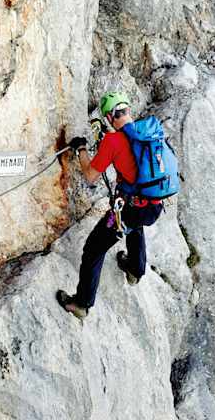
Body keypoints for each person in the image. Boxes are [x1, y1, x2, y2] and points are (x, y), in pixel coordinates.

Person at [56, 92, 164, 319]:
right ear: (127, 111)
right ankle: (135, 269)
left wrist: (82, 149)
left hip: (130, 210)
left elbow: (91, 175)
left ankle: (82, 304)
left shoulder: (112, 141)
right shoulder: (149, 131)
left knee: (93, 248)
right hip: (154, 203)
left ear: (108, 117)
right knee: (135, 225)